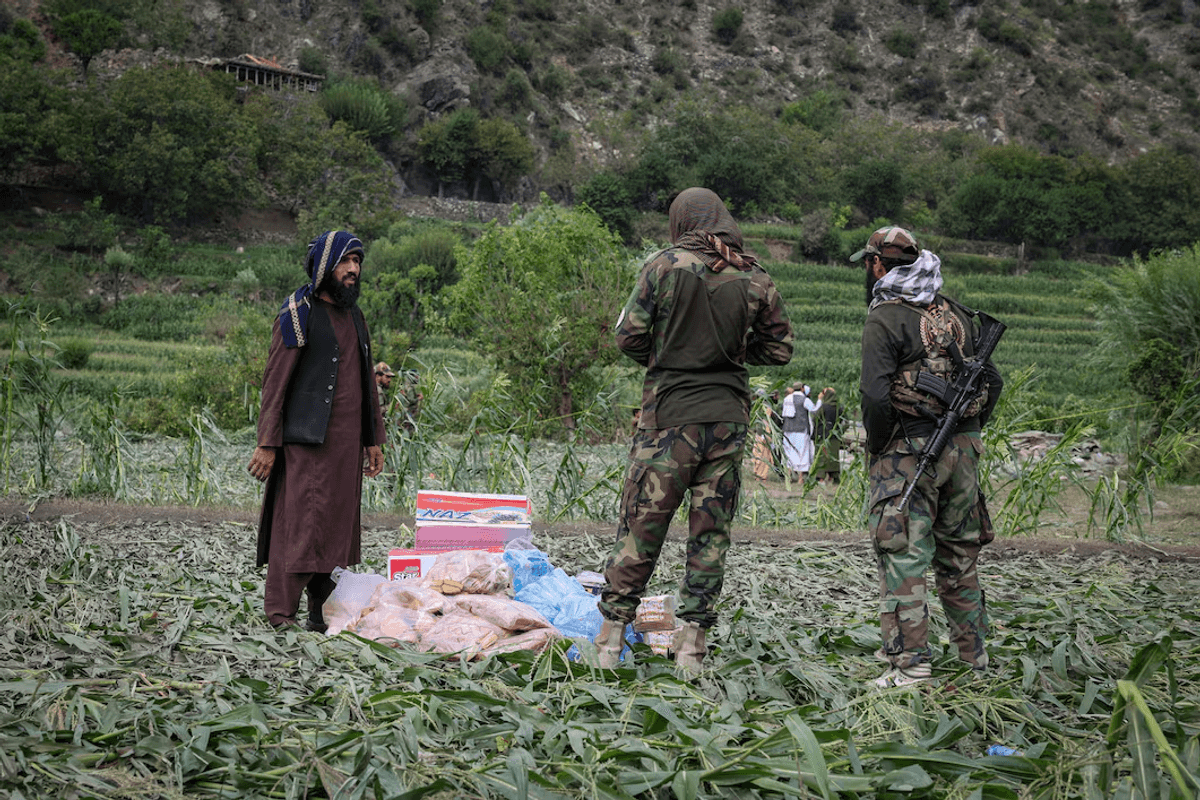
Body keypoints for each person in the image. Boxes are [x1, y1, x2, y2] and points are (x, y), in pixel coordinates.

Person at [594, 188, 794, 671]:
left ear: (681, 220)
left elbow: (628, 337)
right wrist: (728, 351)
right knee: (710, 533)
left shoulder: (664, 266)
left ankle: (608, 644)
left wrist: (669, 354)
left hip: (669, 418)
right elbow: (779, 350)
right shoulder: (753, 274)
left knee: (641, 525)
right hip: (726, 420)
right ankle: (691, 648)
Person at [854, 225, 1003, 687]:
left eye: (868, 263)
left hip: (909, 453)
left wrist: (881, 448)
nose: (867, 270)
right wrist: (969, 432)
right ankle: (972, 661)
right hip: (963, 451)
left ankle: (911, 664)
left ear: (879, 265)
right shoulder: (955, 312)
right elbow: (993, 384)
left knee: (903, 554)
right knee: (960, 558)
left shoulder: (886, 318)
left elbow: (875, 398)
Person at [247, 230, 386, 632]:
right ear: (325, 266)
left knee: (335, 532)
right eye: (347, 262)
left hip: (345, 447)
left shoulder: (355, 317)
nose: (354, 270)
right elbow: (276, 382)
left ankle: (321, 616)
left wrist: (372, 440)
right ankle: (280, 615)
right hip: (306, 444)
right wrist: (268, 443)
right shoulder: (297, 312)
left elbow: (365, 383)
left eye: (358, 262)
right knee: (301, 528)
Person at [781, 383, 831, 483]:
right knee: (802, 454)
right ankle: (800, 479)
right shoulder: (804, 399)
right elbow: (815, 411)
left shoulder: (786, 399)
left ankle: (788, 477)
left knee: (789, 453)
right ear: (802, 388)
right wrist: (819, 400)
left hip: (787, 430)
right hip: (801, 431)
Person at [811, 388, 843, 484]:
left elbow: (815, 418)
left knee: (822, 457)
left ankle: (820, 477)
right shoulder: (839, 408)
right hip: (835, 436)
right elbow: (844, 422)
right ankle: (835, 477)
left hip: (823, 436)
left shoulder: (824, 407)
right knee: (833, 458)